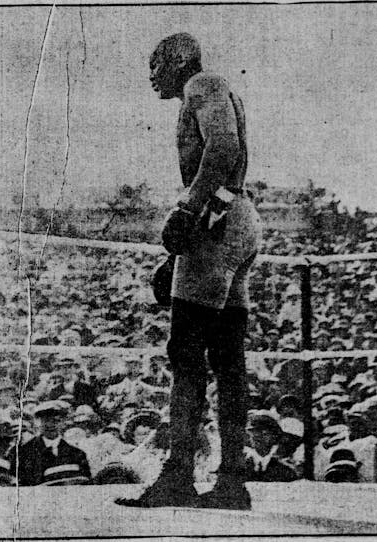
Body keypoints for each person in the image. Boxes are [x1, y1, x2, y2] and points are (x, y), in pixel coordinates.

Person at [118, 33, 262, 510]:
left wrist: (186, 209)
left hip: (218, 222)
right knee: (227, 357)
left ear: (177, 61)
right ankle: (231, 482)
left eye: (155, 65)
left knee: (185, 353)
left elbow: (223, 147)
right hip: (233, 218)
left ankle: (179, 474)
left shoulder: (201, 84)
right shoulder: (214, 90)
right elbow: (230, 159)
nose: (152, 77)